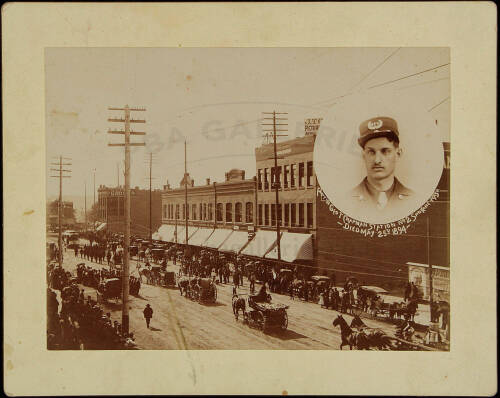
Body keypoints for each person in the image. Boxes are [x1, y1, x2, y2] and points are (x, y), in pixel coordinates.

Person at [349, 117, 414, 217]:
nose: (377, 160)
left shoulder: (413, 199)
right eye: (371, 152)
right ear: (363, 156)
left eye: (385, 151)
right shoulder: (347, 199)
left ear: (398, 154)